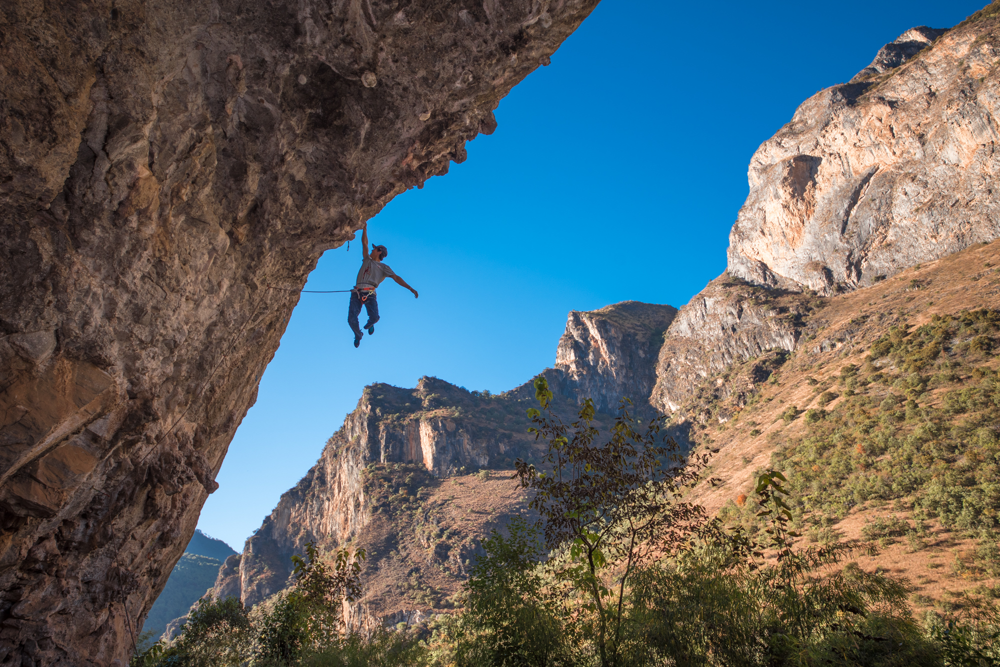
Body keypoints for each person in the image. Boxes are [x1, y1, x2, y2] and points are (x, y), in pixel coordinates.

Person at [348, 221, 418, 347]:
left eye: (374, 249)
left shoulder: (384, 267)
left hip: (370, 294)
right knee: (351, 319)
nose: (371, 250)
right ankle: (358, 334)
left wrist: (410, 288)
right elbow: (364, 243)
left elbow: (396, 278)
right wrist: (365, 229)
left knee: (375, 317)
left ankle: (371, 323)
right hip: (357, 293)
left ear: (379, 251)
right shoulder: (367, 259)